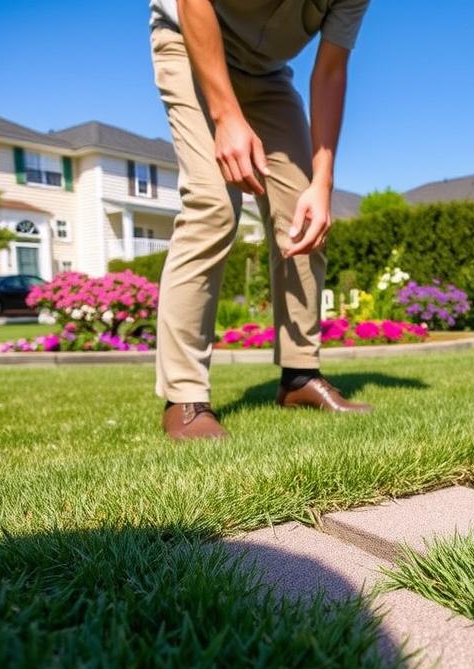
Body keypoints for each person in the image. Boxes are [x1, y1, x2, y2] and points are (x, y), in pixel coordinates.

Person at [148, 0, 372, 440]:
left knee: (304, 211)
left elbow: (329, 71)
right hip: (189, 44)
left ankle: (299, 377)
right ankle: (185, 398)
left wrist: (323, 183)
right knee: (212, 206)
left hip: (266, 73)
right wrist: (227, 117)